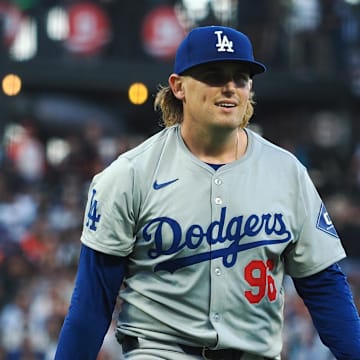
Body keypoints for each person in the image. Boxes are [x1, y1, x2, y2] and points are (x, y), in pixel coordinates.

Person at [55, 25, 360, 360]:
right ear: (178, 86)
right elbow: (91, 305)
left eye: (240, 77)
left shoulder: (287, 173)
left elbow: (325, 287)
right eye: (214, 75)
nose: (229, 87)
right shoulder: (129, 175)